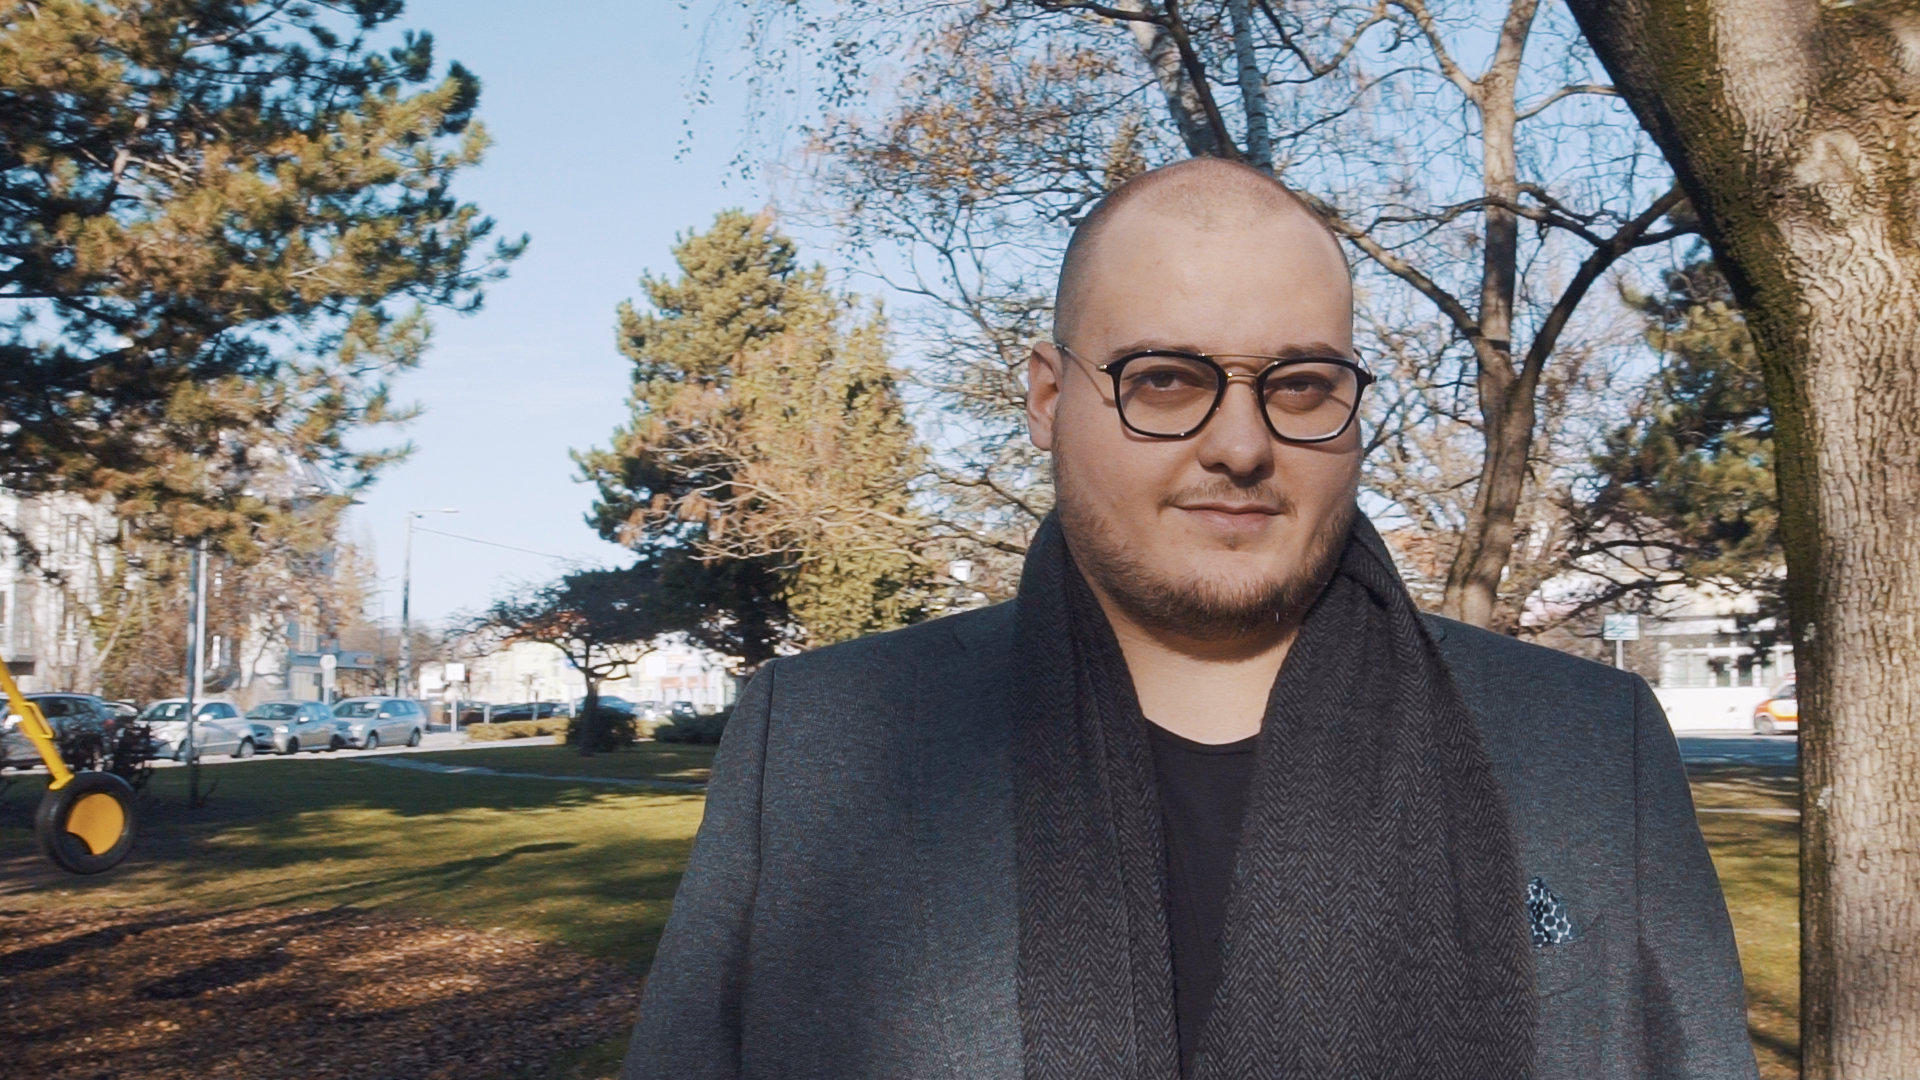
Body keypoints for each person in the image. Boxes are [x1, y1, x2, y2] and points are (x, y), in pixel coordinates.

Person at [623, 158, 1758, 1080]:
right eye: (1165, 379)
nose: (1243, 443)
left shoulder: (1589, 748)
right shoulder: (823, 744)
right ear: (1048, 397)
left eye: (1302, 383)